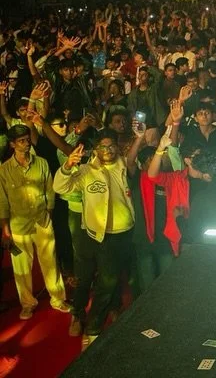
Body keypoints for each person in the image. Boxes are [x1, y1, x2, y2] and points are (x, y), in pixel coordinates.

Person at [53, 131, 136, 350]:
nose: (107, 151)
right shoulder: (86, 171)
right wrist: (68, 166)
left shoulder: (124, 165)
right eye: (103, 147)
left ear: (117, 147)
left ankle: (96, 325)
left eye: (111, 146)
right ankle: (83, 320)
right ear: (96, 149)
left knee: (108, 282)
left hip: (121, 235)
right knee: (88, 279)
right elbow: (60, 187)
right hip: (92, 235)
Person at [0, 125, 70, 320]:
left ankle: (58, 299)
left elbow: (50, 190)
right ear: (12, 144)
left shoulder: (41, 163)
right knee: (21, 268)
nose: (26, 143)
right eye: (21, 141)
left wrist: (49, 213)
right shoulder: (4, 170)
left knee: (51, 262)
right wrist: (6, 231)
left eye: (27, 139)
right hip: (18, 225)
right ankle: (27, 303)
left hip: (42, 221)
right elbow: (3, 202)